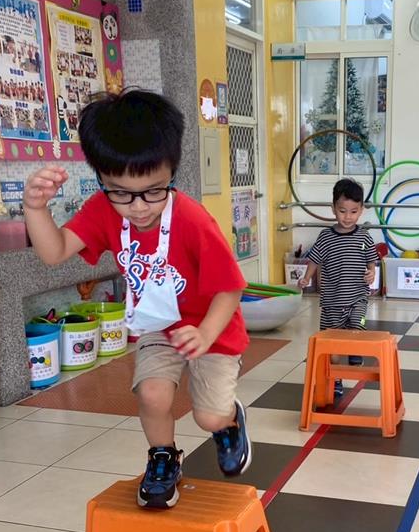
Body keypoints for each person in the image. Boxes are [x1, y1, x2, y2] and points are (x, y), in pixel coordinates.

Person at [24, 88, 251, 510]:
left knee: (209, 416)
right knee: (151, 394)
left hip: (211, 326)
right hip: (157, 324)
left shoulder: (192, 219)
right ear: (102, 180)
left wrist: (204, 334)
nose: (138, 207)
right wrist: (35, 208)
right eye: (121, 192)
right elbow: (54, 252)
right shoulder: (103, 210)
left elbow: (230, 287)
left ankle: (230, 422)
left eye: (153, 190)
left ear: (171, 174)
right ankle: (163, 458)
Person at [298, 178, 377, 397]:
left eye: (353, 212)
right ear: (333, 208)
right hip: (332, 301)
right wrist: (306, 278)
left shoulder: (364, 236)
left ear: (361, 210)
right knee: (332, 344)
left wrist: (371, 273)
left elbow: (371, 259)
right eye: (342, 211)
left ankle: (355, 351)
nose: (348, 217)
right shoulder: (326, 237)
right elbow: (314, 260)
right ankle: (336, 380)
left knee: (358, 324)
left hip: (358, 296)